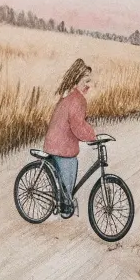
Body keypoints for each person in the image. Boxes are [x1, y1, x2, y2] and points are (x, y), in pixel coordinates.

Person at [43, 58, 96, 218]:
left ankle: (64, 201)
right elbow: (77, 125)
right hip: (61, 147)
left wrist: (91, 133)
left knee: (66, 179)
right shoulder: (77, 100)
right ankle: (65, 204)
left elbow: (79, 123)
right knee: (68, 175)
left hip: (56, 143)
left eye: (89, 81)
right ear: (76, 81)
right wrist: (93, 137)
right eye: (86, 81)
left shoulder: (71, 96)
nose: (88, 85)